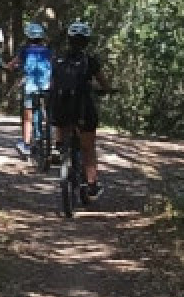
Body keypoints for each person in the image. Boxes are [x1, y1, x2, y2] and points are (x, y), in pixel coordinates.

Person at [49, 20, 112, 199]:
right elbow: (103, 82)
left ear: (69, 39)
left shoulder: (58, 59)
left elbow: (53, 85)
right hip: (83, 109)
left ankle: (58, 147)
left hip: (62, 109)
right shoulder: (89, 61)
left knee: (61, 118)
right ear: (86, 41)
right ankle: (92, 184)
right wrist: (107, 90)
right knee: (88, 148)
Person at [8, 21, 51, 159]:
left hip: (31, 86)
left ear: (28, 37)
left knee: (28, 117)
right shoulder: (48, 51)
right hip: (47, 86)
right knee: (49, 114)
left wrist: (10, 66)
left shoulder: (24, 51)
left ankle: (26, 144)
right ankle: (54, 143)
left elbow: (13, 64)